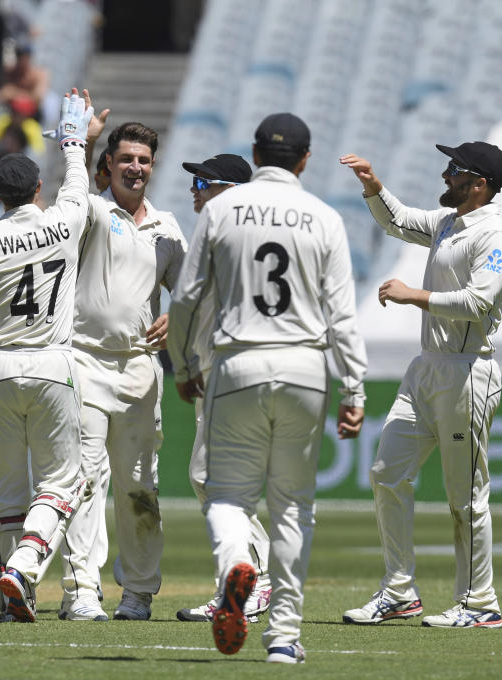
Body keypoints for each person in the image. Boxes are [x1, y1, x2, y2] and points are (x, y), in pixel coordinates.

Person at [168, 113, 367, 663]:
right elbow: (342, 317)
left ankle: (237, 564)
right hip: (305, 367)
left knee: (227, 494)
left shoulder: (221, 209)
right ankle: (282, 637)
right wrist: (355, 390)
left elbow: (185, 300)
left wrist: (183, 367)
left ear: (255, 155)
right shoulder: (325, 216)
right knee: (292, 507)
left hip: (237, 363)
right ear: (305, 160)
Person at [340, 143, 502, 629]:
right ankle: (398, 591)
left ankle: (481, 604)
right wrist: (373, 185)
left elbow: (477, 303)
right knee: (386, 473)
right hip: (426, 370)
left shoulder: (495, 235)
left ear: (479, 183)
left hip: (467, 373)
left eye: (455, 169)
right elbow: (397, 221)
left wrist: (412, 295)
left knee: (466, 498)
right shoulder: (447, 222)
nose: (446, 173)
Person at [0, 91, 92, 622]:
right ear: (37, 190)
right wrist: (74, 132)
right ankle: (24, 567)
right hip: (53, 364)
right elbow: (79, 182)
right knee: (63, 483)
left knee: (4, 492)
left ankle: (12, 598)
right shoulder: (67, 221)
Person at [42, 106, 188, 622]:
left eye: (144, 160)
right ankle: (81, 590)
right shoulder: (91, 211)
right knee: (83, 481)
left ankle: (138, 593)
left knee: (139, 485)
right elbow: (70, 198)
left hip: (140, 370)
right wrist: (80, 143)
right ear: (109, 164)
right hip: (82, 361)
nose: (136, 167)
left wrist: (179, 317)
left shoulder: (168, 228)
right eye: (126, 158)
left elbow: (194, 291)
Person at [172, 153, 274, 625]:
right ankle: (240, 583)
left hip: (227, 375)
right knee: (216, 481)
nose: (194, 189)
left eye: (202, 182)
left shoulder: (224, 232)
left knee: (215, 480)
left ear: (228, 189)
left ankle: (253, 581)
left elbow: (193, 297)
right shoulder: (243, 233)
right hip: (225, 373)